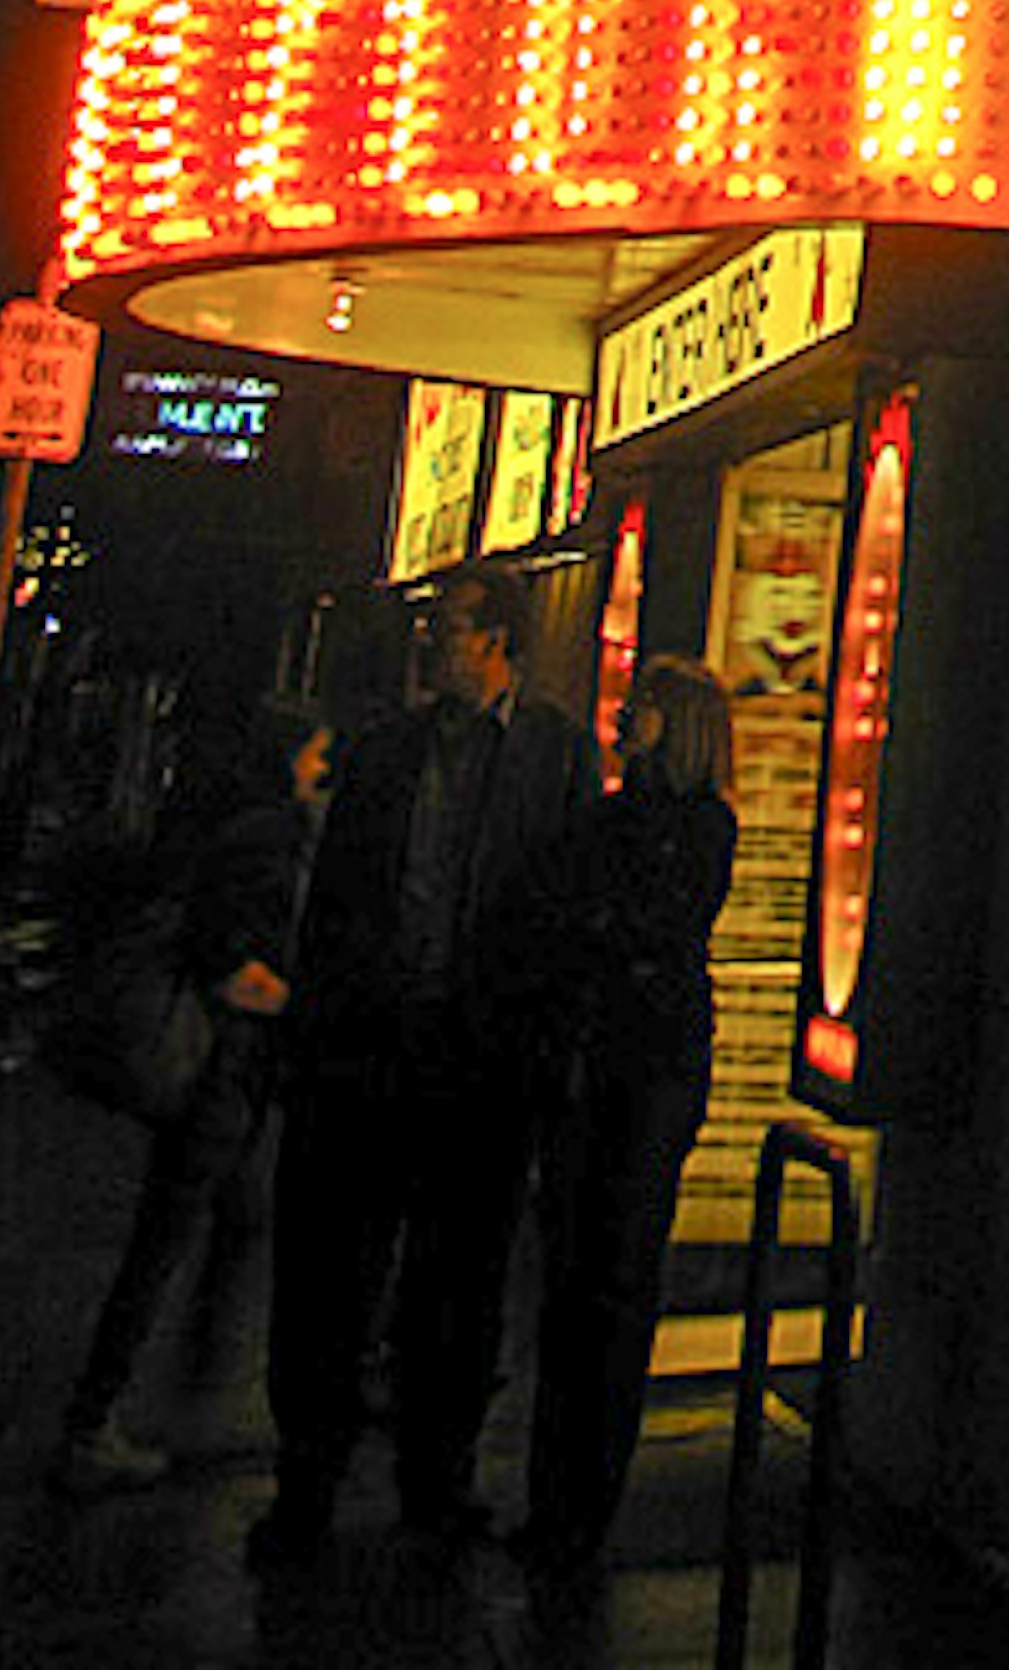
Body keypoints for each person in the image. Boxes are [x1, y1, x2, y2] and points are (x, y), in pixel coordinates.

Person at [250, 559, 590, 1561]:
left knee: (459, 1277)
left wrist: (538, 1044)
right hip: (371, 1047)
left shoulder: (550, 753)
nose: (432, 641)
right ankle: (308, 1476)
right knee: (333, 1274)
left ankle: (433, 1480)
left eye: (449, 627)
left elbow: (558, 909)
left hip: (479, 1059)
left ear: (498, 641)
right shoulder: (389, 748)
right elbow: (338, 903)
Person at [56, 697, 332, 1490]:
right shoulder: (268, 840)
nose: (324, 771)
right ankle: (100, 1414)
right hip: (223, 1065)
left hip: (225, 1068)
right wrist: (303, 1003)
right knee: (171, 1232)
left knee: (222, 1217)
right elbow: (231, 958)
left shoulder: (226, 824)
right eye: (316, 756)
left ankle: (175, 1388)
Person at [525, 654, 740, 1584]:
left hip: (635, 1064)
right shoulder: (640, 821)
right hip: (627, 1056)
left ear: (676, 721)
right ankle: (562, 1501)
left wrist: (599, 929)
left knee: (605, 1278)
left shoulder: (686, 825)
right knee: (582, 1277)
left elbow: (633, 923)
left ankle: (576, 1504)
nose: (625, 716)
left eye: (645, 706)